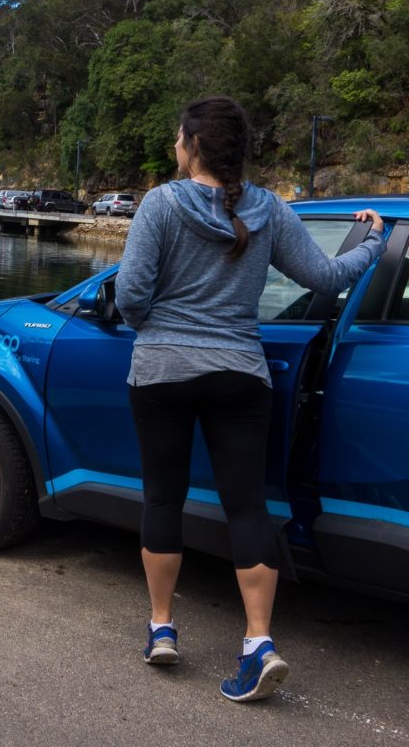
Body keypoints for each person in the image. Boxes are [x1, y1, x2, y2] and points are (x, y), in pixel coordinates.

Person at [115, 95, 385, 703]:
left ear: (190, 145)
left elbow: (131, 295)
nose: (174, 148)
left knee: (163, 497)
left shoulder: (159, 204)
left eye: (177, 140)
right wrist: (372, 238)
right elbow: (327, 278)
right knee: (247, 507)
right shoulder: (269, 208)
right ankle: (258, 642)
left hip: (162, 370)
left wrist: (157, 324)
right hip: (241, 371)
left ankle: (162, 628)